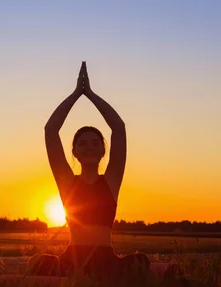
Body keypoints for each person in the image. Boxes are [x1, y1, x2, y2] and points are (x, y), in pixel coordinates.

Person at [26, 62, 151, 281]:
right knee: (37, 262)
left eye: (95, 142)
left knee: (142, 262)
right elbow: (51, 130)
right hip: (71, 260)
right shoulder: (68, 183)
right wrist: (76, 94)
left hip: (106, 261)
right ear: (74, 152)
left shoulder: (110, 181)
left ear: (104, 150)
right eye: (82, 143)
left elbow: (118, 128)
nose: (90, 146)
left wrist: (91, 94)